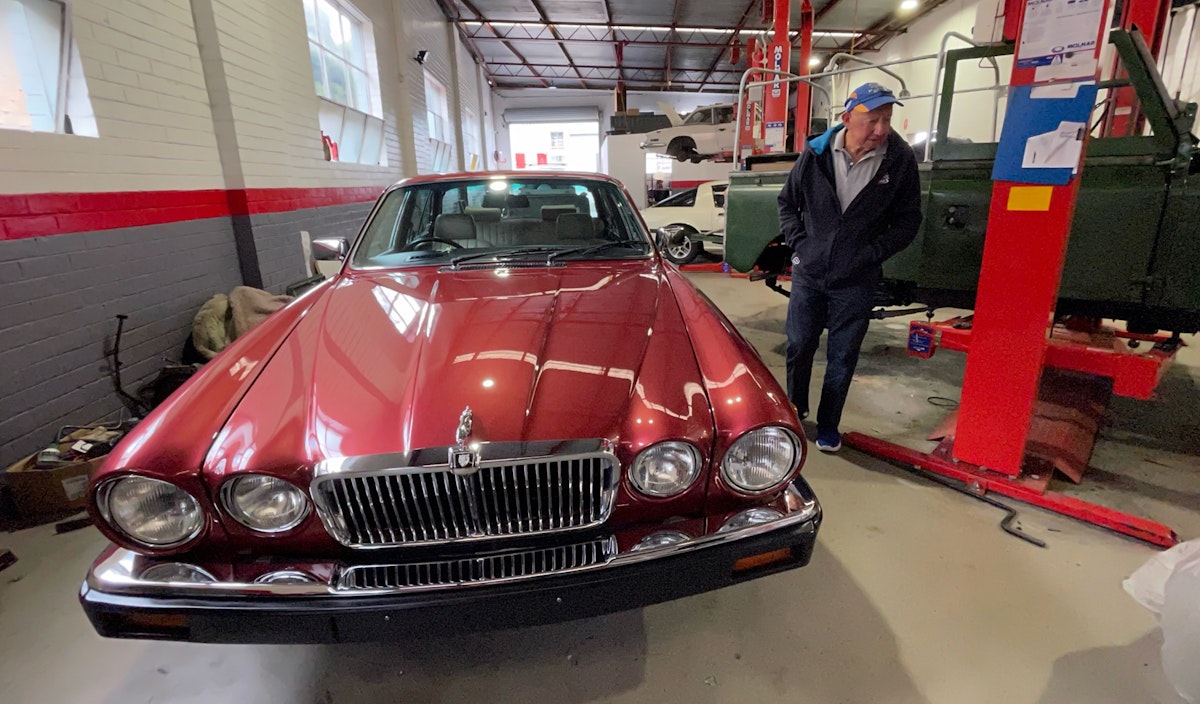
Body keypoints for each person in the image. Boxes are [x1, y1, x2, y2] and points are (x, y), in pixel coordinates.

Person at [777, 82, 923, 452]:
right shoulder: (816, 153)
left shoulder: (899, 160)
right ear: (847, 118)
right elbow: (787, 203)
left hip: (856, 279)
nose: (881, 130)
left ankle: (828, 425)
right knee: (799, 345)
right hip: (810, 275)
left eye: (886, 120)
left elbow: (908, 221)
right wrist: (803, 246)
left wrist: (870, 255)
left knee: (842, 356)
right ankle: (796, 410)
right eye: (872, 120)